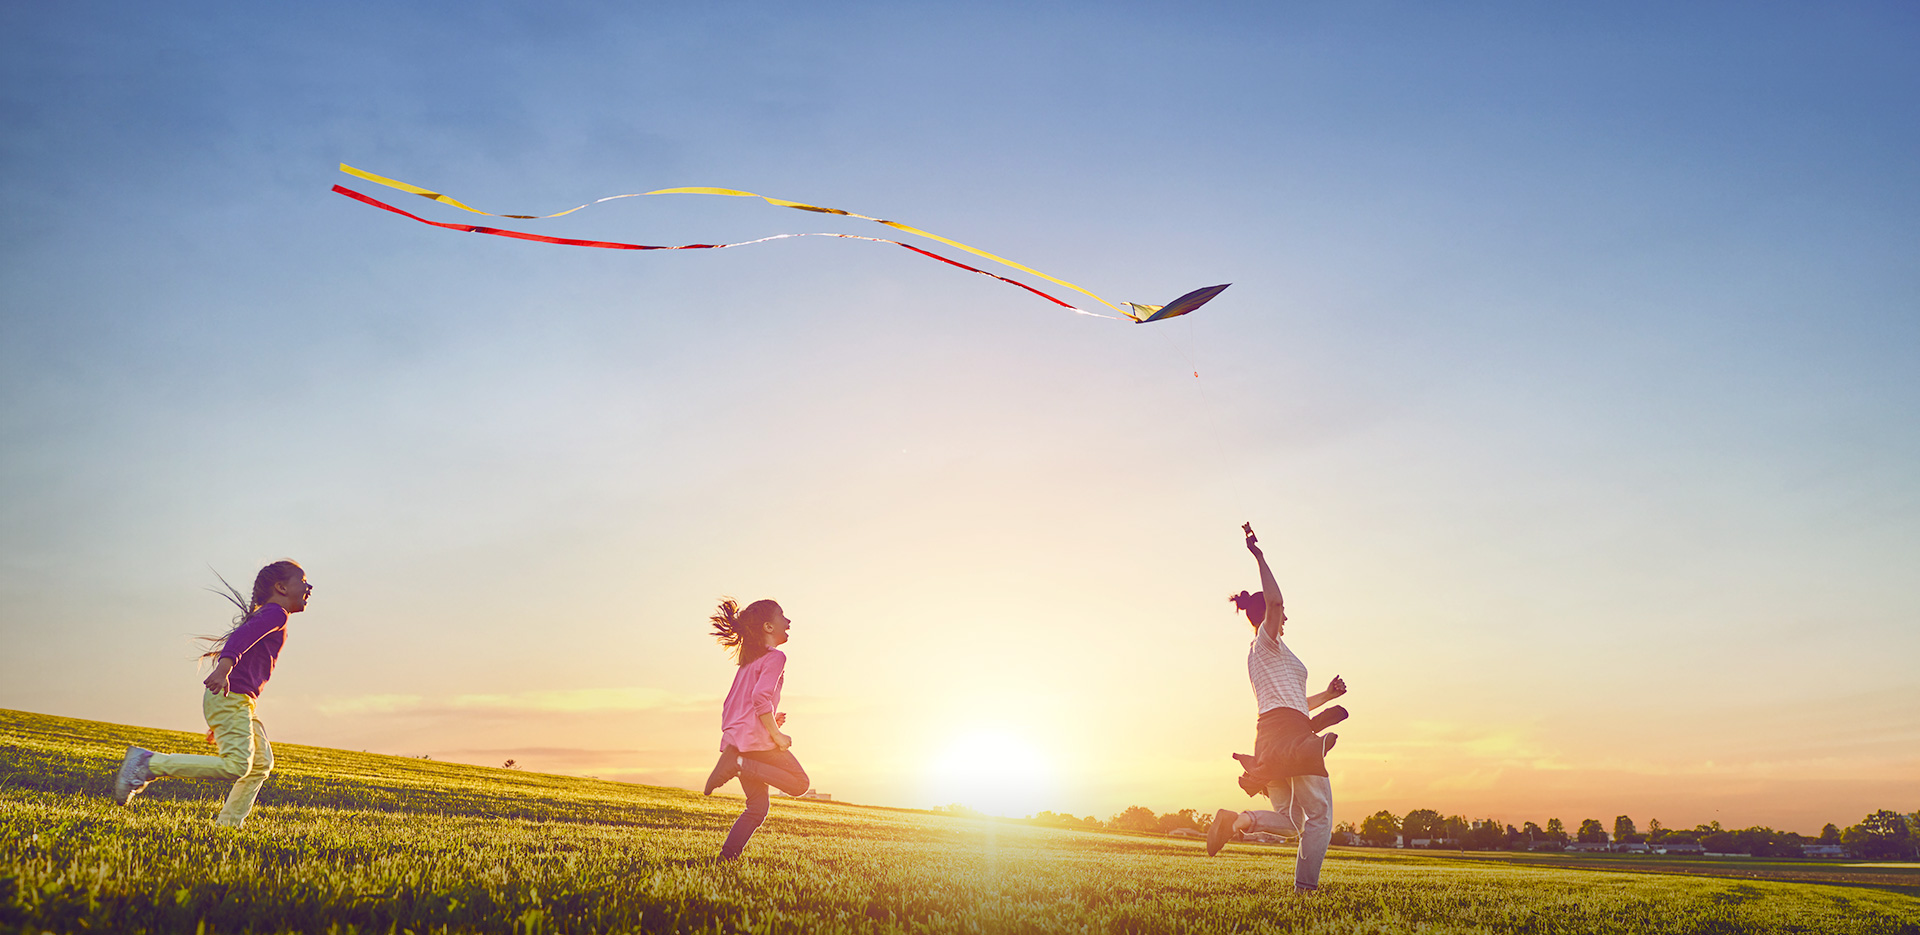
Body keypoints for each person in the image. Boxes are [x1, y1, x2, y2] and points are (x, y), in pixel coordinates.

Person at [112, 560, 312, 828]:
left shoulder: (272, 615)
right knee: (236, 767)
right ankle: (149, 764)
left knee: (259, 765)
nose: (309, 587)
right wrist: (224, 668)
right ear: (281, 587)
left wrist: (224, 722)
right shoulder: (277, 614)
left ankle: (228, 826)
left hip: (239, 703)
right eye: (303, 581)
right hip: (232, 696)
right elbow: (241, 637)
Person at [1205, 524, 1347, 895]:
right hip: (1290, 737)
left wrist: (1327, 695)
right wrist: (1259, 555)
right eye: (1281, 615)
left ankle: (1236, 822)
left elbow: (1293, 703)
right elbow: (1276, 603)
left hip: (1273, 735)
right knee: (1320, 816)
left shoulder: (1270, 654)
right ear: (1265, 617)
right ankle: (1306, 891)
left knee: (1290, 821)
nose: (1285, 618)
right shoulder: (1265, 642)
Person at [700, 597, 811, 860]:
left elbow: (736, 704)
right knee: (800, 784)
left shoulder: (748, 661)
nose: (788, 621)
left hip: (737, 740)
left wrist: (770, 720)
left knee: (757, 808)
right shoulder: (775, 657)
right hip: (752, 744)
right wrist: (775, 734)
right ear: (768, 627)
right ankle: (739, 765)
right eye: (782, 616)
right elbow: (760, 697)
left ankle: (726, 858)